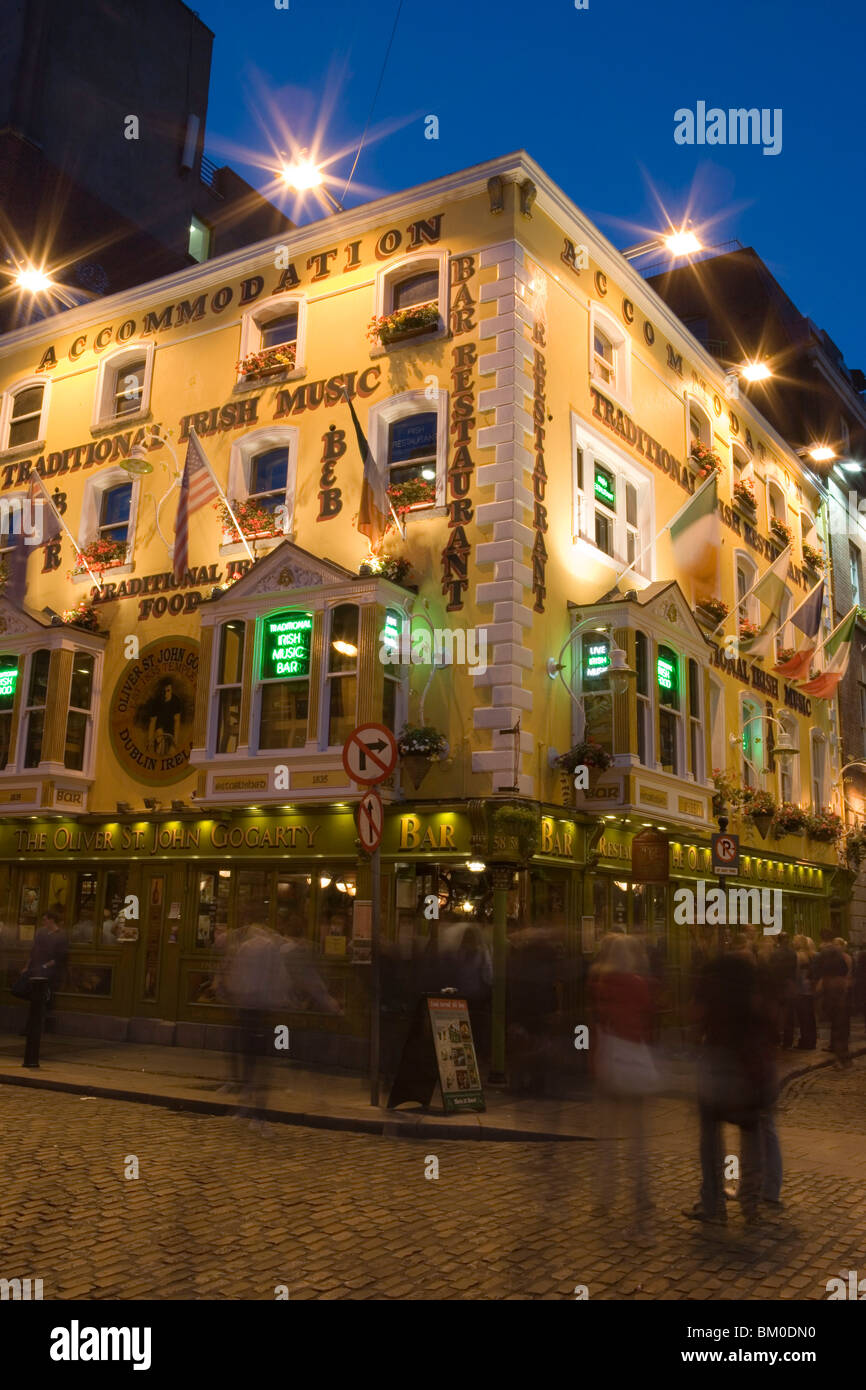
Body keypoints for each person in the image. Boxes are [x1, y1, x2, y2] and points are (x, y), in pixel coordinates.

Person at [684, 947, 773, 1226]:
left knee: (710, 1137)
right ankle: (750, 1205)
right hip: (749, 1063)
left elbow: (695, 1018)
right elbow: (769, 1022)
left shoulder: (709, 980)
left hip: (717, 1061)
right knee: (751, 1132)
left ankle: (713, 1204)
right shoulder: (754, 986)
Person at [589, 933, 657, 1236]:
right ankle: (641, 1192)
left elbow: (596, 1021)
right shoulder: (638, 984)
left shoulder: (599, 984)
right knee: (637, 1135)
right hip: (634, 1059)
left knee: (607, 1136)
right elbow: (646, 1019)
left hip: (608, 1058)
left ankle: (604, 1196)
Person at [25, 907, 69, 1031]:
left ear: (52, 920)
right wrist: (27, 966)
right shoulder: (41, 932)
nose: (43, 922)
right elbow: (33, 951)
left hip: (49, 972)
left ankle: (37, 1026)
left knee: (44, 998)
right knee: (33, 996)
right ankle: (33, 1026)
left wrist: (44, 966)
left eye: (45, 920)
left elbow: (59, 957)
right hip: (37, 968)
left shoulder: (61, 936)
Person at [812, 928, 851, 1067]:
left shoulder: (823, 953)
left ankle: (840, 1057)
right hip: (840, 989)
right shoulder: (838, 953)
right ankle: (843, 1055)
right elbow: (845, 969)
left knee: (836, 1023)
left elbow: (815, 973)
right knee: (841, 1023)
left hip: (830, 989)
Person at [792, 934, 817, 1050]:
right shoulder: (812, 954)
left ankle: (805, 1041)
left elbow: (796, 974)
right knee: (810, 1016)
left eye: (795, 940)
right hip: (810, 989)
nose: (793, 942)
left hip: (801, 989)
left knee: (803, 1017)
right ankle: (812, 1040)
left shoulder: (799, 955)